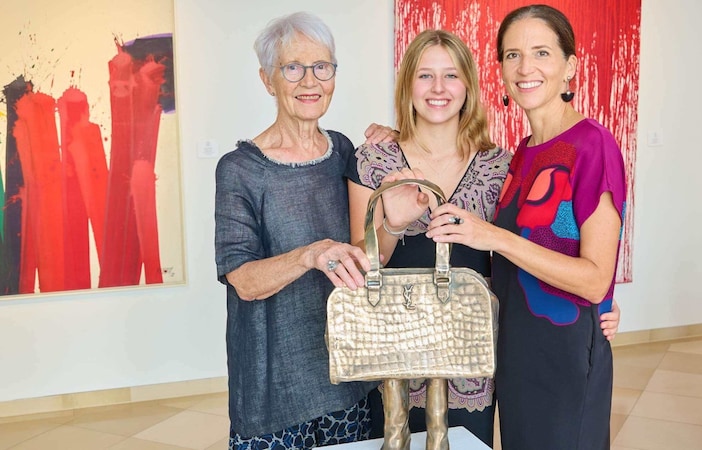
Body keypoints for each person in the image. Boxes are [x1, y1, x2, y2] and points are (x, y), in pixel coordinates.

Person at [346, 28, 621, 448]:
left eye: (451, 75)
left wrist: (598, 299)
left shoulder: (501, 165)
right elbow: (362, 270)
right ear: (407, 86)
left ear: (469, 86)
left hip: (473, 358)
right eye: (424, 76)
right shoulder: (375, 158)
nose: (438, 88)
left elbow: (531, 250)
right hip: (394, 354)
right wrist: (394, 223)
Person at [421, 5, 627, 449]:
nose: (525, 67)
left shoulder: (594, 146)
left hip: (565, 358)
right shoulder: (522, 153)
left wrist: (493, 236)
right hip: (516, 353)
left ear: (570, 66)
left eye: (541, 53)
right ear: (499, 70)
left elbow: (594, 280)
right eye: (512, 55)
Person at [214, 12, 395, 449]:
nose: (309, 81)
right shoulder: (240, 169)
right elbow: (243, 280)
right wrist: (309, 254)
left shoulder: (345, 152)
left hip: (346, 376)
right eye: (292, 68)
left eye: (322, 67)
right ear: (267, 79)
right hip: (274, 391)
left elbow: (365, 250)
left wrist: (396, 145)